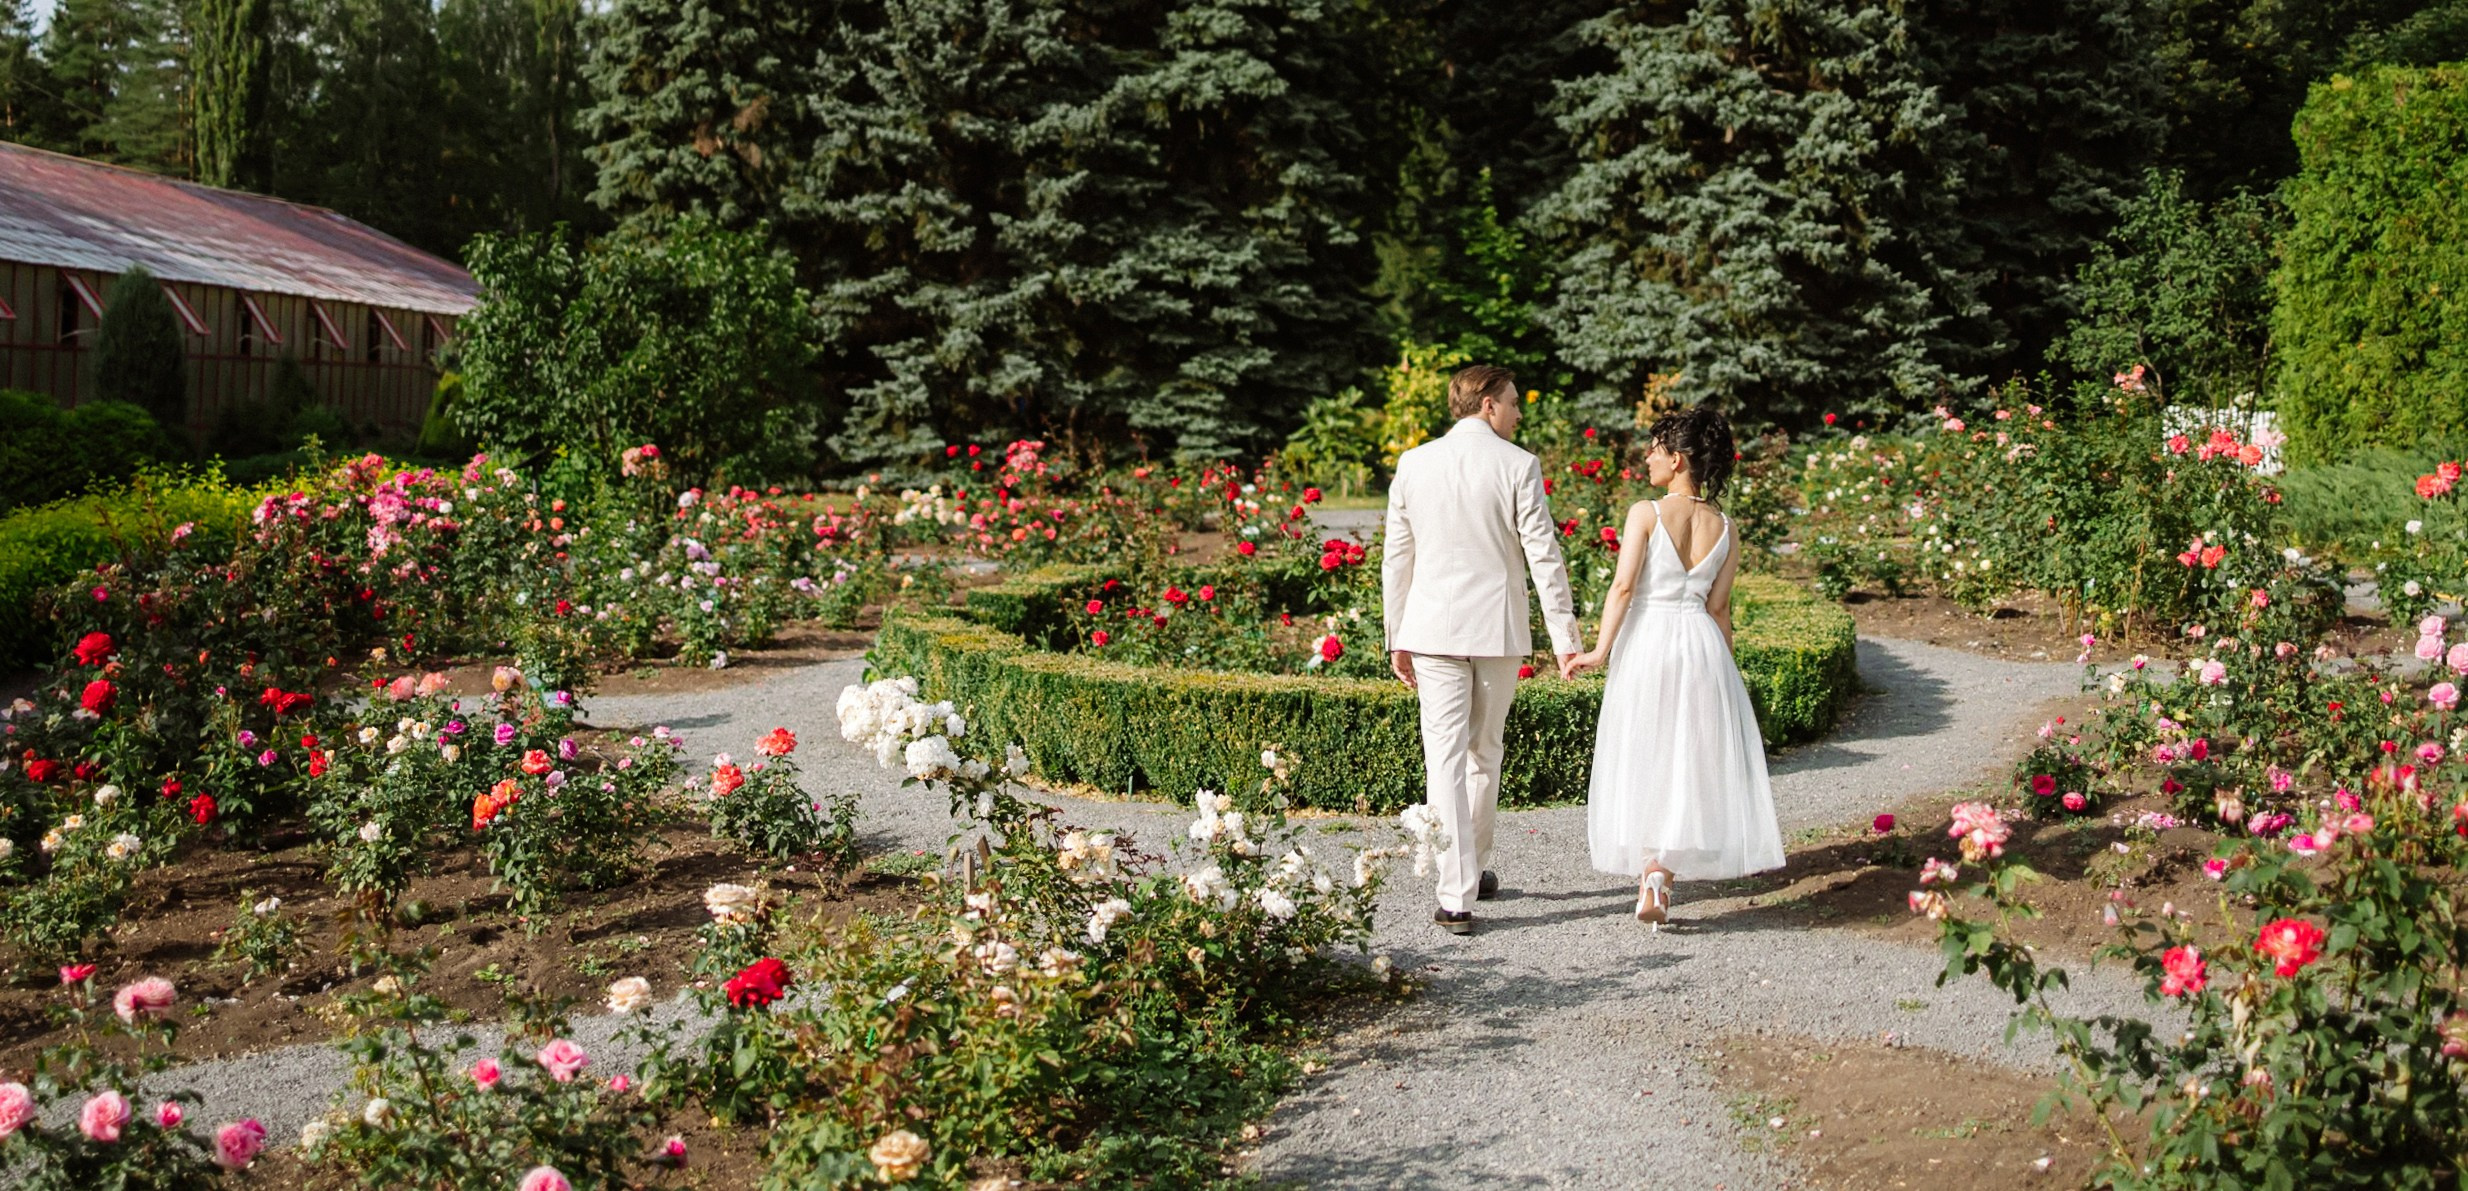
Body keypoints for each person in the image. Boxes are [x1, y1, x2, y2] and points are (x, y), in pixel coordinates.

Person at [1382, 364, 1584, 936]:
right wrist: (1565, 640)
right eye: (1514, 402)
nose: (1520, 412)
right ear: (1489, 404)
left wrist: (1397, 634)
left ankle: (1458, 894)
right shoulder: (1518, 464)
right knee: (1483, 752)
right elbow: (1544, 555)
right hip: (1495, 630)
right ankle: (1471, 872)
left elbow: (1398, 558)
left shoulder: (1413, 463)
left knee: (1442, 757)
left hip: (1431, 631)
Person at [1566, 405, 1784, 928]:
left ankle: (1651, 868)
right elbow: (1719, 608)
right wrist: (1724, 673)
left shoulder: (1646, 513)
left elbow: (1623, 586)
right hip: (1702, 645)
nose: (1646, 458)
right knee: (1687, 755)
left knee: (1645, 749)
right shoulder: (1726, 527)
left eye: (1655, 450)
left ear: (1678, 459)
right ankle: (1663, 870)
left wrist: (1597, 650)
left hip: (1649, 639)